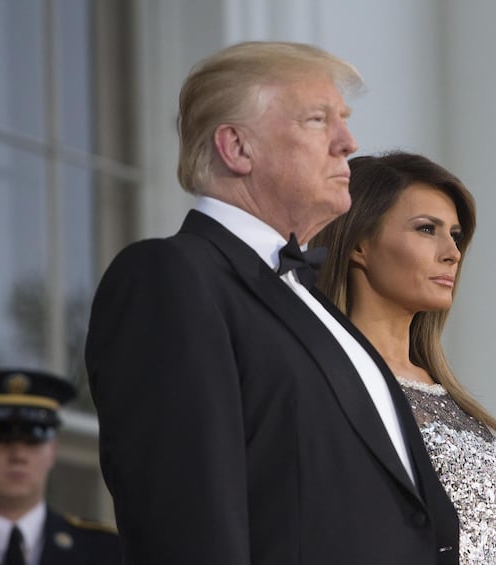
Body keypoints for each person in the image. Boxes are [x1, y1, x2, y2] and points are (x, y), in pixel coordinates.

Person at [84, 42, 459, 565]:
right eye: (317, 120)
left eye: (344, 121)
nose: (347, 143)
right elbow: (186, 523)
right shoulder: (171, 278)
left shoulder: (312, 299)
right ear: (236, 147)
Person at [311, 151, 496, 564]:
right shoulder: (320, 379)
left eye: (456, 235)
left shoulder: (446, 394)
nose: (452, 253)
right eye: (427, 229)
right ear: (358, 244)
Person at [0, 368, 120, 565]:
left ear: (52, 450)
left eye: (33, 440)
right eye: (1, 439)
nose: (18, 455)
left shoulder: (107, 552)